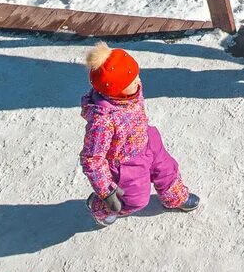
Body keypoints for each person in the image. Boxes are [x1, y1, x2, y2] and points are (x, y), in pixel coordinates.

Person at [79, 44, 198, 226]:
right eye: (131, 81)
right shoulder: (102, 121)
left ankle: (174, 197)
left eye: (137, 76)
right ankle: (100, 208)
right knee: (135, 200)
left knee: (167, 169)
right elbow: (92, 159)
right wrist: (106, 191)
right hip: (126, 162)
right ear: (115, 90)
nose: (138, 82)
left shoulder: (131, 92)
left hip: (148, 140)